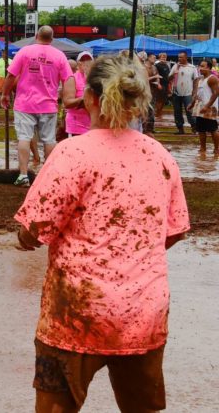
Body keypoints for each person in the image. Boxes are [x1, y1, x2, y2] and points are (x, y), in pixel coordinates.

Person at [14, 54, 189, 413]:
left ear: (90, 98)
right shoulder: (161, 157)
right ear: (136, 99)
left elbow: (33, 231)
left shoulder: (71, 153)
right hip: (143, 313)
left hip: (75, 312)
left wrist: (27, 237)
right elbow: (172, 233)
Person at [0, 26, 73, 187]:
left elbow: (11, 75)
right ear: (52, 39)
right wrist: (68, 100)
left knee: (24, 138)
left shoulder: (25, 51)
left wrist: (4, 94)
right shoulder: (59, 56)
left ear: (36, 36)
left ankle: (24, 175)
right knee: (49, 140)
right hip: (48, 104)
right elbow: (68, 78)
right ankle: (49, 176)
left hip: (25, 104)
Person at [188, 60, 219, 153]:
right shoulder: (200, 79)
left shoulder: (212, 79)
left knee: (213, 130)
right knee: (201, 130)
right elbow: (198, 94)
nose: (200, 68)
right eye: (199, 66)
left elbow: (216, 93)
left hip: (210, 108)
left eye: (202, 66)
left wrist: (207, 106)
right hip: (200, 108)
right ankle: (203, 148)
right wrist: (192, 104)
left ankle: (217, 149)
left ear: (209, 68)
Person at [61, 51, 93, 137]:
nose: (86, 63)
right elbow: (67, 103)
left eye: (88, 60)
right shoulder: (73, 78)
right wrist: (83, 98)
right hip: (76, 124)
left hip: (93, 124)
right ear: (78, 64)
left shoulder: (96, 79)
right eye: (82, 60)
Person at [169, 51, 199, 134]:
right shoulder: (175, 66)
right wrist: (173, 74)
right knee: (177, 111)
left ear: (186, 57)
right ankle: (180, 129)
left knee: (189, 110)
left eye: (181, 57)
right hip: (176, 93)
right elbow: (169, 78)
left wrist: (195, 91)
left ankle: (194, 127)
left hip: (188, 93)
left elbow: (196, 80)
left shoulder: (192, 67)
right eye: (178, 57)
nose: (179, 59)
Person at [153, 52, 170, 118]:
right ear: (159, 58)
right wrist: (158, 84)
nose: (164, 58)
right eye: (162, 57)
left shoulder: (166, 65)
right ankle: (157, 113)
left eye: (165, 57)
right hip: (160, 84)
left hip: (166, 84)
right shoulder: (157, 65)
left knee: (164, 100)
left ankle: (160, 112)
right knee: (159, 100)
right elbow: (156, 75)